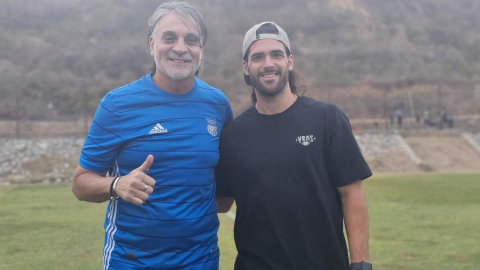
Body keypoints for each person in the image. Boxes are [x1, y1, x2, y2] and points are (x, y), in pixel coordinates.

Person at [72, 1, 232, 269]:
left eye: (191, 39)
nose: (180, 47)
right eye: (170, 37)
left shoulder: (218, 105)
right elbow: (81, 184)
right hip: (132, 260)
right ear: (151, 44)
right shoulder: (118, 105)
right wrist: (116, 185)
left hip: (201, 260)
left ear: (201, 50)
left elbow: (225, 196)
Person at [215, 22, 372, 270]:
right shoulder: (233, 134)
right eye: (258, 57)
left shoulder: (327, 118)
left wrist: (360, 263)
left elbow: (351, 194)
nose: (268, 63)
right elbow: (221, 202)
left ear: (289, 62)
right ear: (246, 68)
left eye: (276, 54)